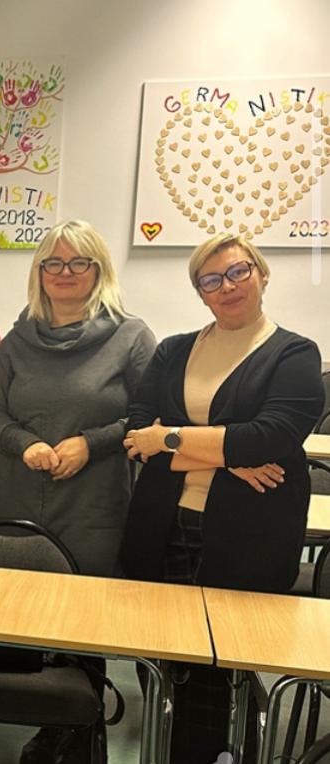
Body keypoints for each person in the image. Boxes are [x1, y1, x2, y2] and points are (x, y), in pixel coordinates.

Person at [121, 233, 324, 761]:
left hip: (247, 535)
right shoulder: (173, 350)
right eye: (211, 280)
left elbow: (271, 437)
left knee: (221, 671)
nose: (227, 286)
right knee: (161, 659)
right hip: (163, 526)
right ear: (200, 293)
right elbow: (137, 434)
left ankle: (219, 754)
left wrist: (171, 438)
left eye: (238, 272)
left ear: (261, 273)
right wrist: (227, 455)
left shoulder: (295, 353)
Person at [0, 220, 155, 762]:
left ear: (98, 270)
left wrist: (90, 443)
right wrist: (24, 443)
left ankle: (81, 729)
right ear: (39, 273)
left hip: (94, 504)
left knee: (83, 623)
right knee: (34, 619)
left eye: (79, 262)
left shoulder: (131, 336)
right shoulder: (18, 339)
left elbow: (149, 417)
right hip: (21, 499)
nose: (65, 272)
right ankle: (50, 722)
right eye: (52, 263)